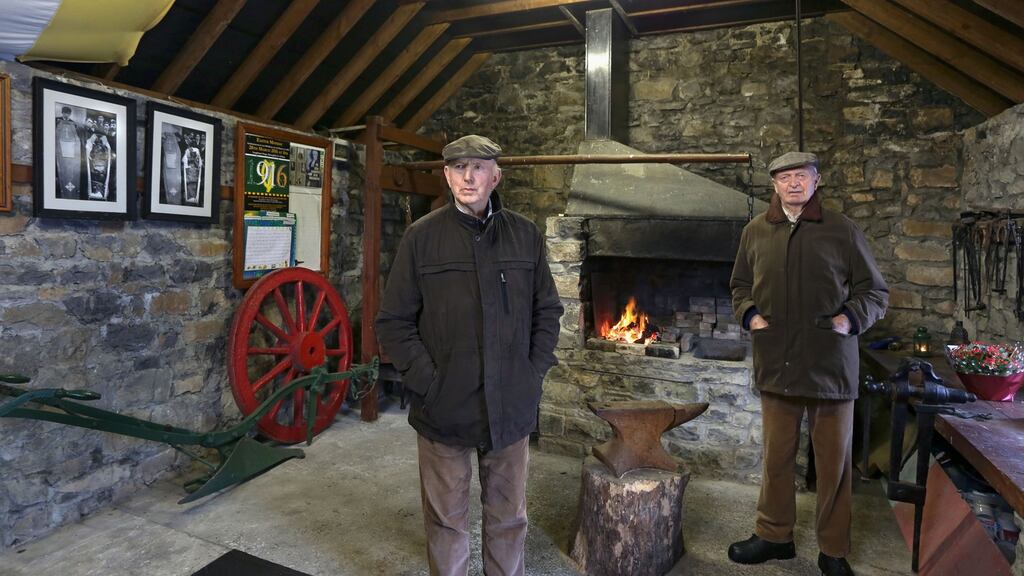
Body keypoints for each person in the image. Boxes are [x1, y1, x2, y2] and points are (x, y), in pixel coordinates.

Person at [376, 135, 563, 576]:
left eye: (478, 167)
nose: (467, 176)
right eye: (458, 167)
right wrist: (429, 382)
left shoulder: (525, 235)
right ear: (445, 175)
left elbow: (548, 311)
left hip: (510, 405)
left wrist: (531, 374)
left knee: (509, 517)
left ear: (495, 175)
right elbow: (393, 322)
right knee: (446, 522)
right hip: (444, 407)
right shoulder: (421, 238)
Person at [728, 151, 888, 576]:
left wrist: (848, 318)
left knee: (833, 465)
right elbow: (739, 285)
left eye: (802, 176)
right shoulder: (755, 231)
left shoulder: (842, 230)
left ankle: (833, 550)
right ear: (775, 185)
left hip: (830, 365)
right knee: (776, 458)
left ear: (817, 182)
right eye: (785, 177)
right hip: (776, 361)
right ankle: (773, 537)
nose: (794, 184)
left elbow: (875, 292)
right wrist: (750, 315)